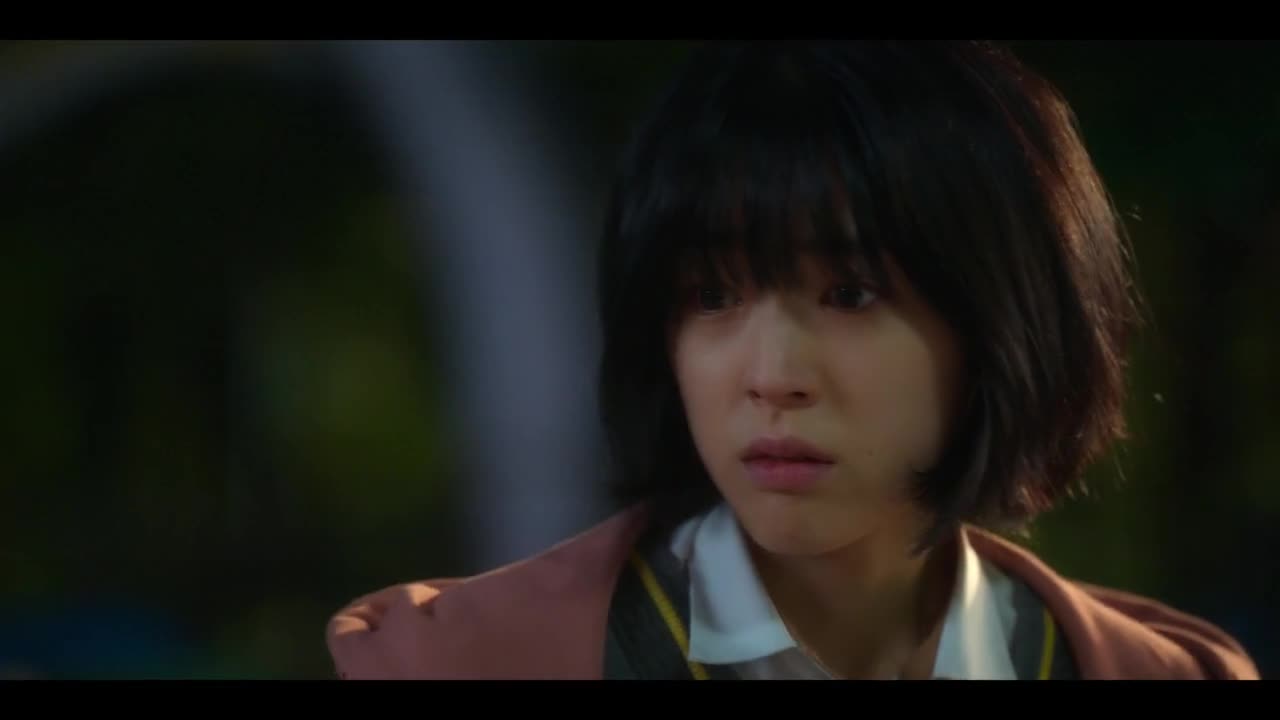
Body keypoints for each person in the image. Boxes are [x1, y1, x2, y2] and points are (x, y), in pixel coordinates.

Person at [325, 41, 1260, 680]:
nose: (771, 375)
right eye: (712, 297)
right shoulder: (467, 661)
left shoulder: (1127, 669)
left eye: (850, 295)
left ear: (1002, 318)